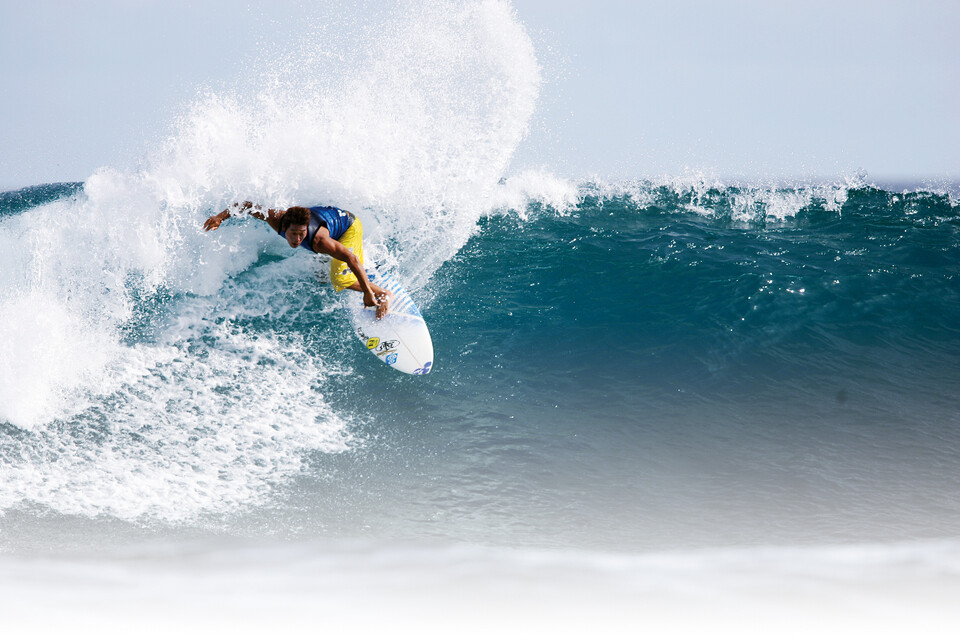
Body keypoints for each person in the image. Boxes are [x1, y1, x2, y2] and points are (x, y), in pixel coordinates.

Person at [203, 201, 391, 318]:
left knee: (339, 279)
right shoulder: (275, 218)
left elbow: (352, 259)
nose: (298, 239)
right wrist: (220, 217)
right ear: (285, 226)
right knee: (322, 274)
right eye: (293, 234)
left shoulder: (320, 241)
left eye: (302, 234)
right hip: (330, 217)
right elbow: (247, 205)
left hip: (349, 227)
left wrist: (367, 292)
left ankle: (383, 294)